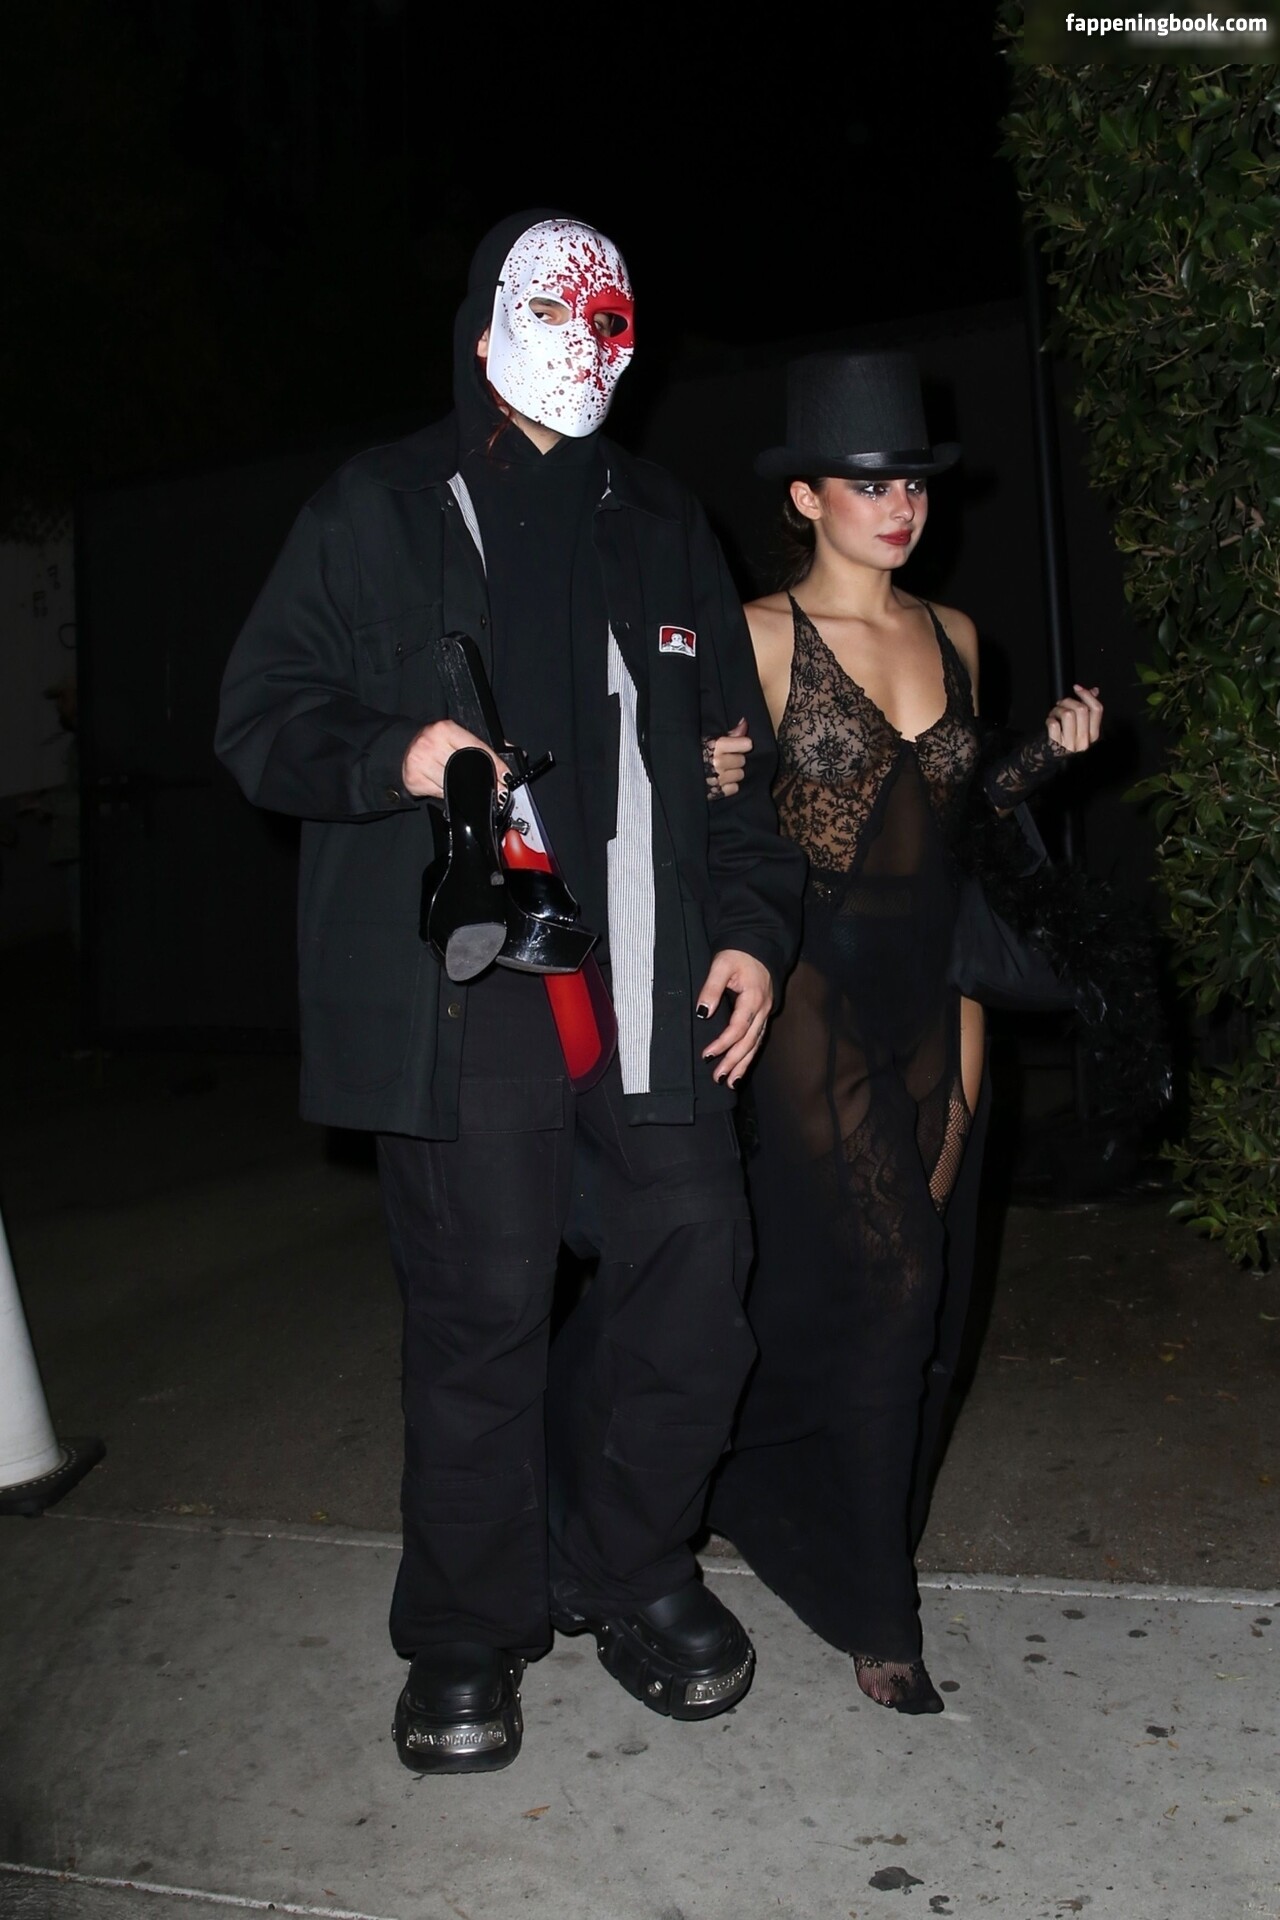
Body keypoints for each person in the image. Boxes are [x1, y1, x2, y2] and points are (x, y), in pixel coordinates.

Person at [215, 211, 804, 1772]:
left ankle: (631, 1567)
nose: (595, 340)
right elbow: (259, 717)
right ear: (485, 331)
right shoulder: (380, 506)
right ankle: (467, 1629)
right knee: (480, 1315)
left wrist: (754, 930)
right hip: (468, 993)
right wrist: (396, 752)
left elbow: (734, 771)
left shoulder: (663, 519)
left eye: (615, 315)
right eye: (560, 312)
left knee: (696, 1284)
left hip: (651, 982)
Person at [704, 351, 1102, 1712]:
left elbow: (968, 827)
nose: (899, 507)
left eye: (914, 485)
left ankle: (753, 1481)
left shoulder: (960, 634)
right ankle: (881, 1612)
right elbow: (702, 827)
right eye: (868, 484)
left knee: (911, 1295)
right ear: (805, 496)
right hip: (810, 993)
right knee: (893, 1279)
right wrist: (702, 771)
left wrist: (1046, 756)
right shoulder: (757, 636)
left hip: (941, 991)